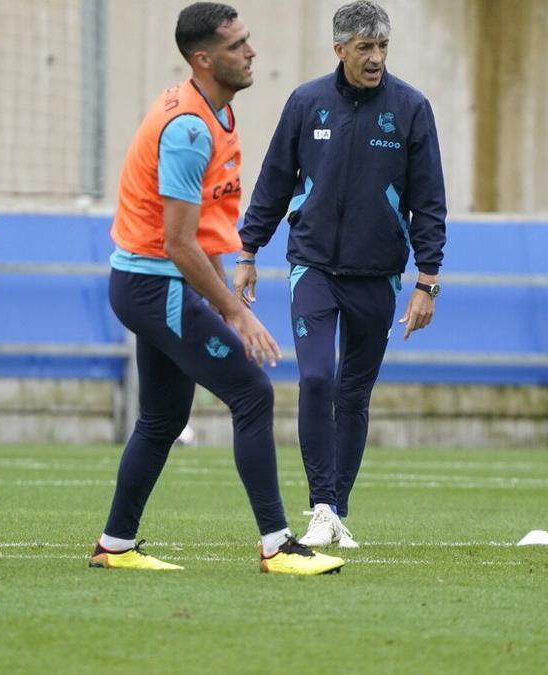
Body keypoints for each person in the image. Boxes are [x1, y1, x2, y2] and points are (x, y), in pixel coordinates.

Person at [91, 2, 344, 576]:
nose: (251, 52)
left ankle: (115, 545)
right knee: (253, 393)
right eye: (237, 45)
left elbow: (195, 236)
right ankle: (278, 545)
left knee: (160, 418)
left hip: (157, 284)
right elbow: (178, 243)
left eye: (248, 40)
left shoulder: (214, 115)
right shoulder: (186, 129)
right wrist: (234, 312)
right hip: (157, 285)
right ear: (204, 60)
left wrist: (220, 293)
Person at [235, 0, 447, 548]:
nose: (375, 58)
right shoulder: (306, 103)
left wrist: (427, 280)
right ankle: (321, 505)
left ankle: (335, 510)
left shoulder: (411, 108)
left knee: (354, 394)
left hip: (379, 274)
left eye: (382, 48)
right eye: (364, 48)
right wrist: (248, 250)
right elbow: (275, 178)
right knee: (315, 379)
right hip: (312, 267)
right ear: (340, 50)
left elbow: (429, 201)